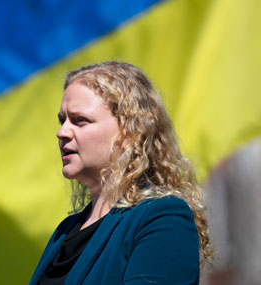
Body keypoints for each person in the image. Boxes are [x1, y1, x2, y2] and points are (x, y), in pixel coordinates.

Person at [30, 61, 213, 284]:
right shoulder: (65, 231)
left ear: (129, 132)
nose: (62, 132)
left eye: (80, 120)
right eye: (62, 120)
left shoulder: (162, 218)